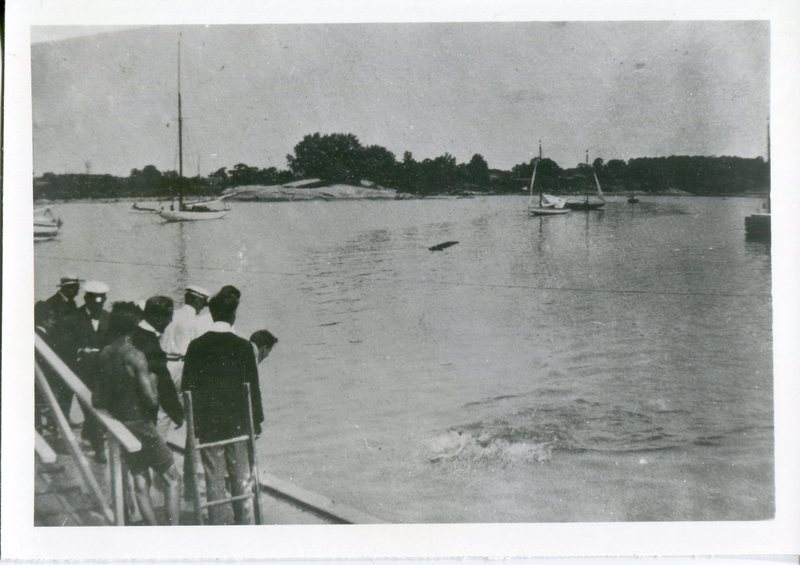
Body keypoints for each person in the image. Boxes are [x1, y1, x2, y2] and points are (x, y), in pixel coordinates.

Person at [93, 302, 181, 525]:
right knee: (172, 477)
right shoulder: (134, 355)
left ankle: (153, 532)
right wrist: (154, 380)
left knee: (140, 480)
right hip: (141, 423)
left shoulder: (105, 354)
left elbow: (98, 398)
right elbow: (151, 400)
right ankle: (174, 531)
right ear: (133, 328)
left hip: (120, 425)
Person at [182, 290, 264, 525]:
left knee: (214, 479)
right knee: (241, 478)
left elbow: (188, 388)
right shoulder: (243, 347)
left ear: (212, 313)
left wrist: (195, 424)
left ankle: (218, 527)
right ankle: (244, 524)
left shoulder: (196, 346)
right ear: (233, 315)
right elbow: (253, 389)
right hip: (237, 424)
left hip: (209, 425)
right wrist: (256, 422)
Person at [52, 280, 111, 462]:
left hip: (102, 371)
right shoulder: (72, 318)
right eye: (94, 302)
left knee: (101, 407)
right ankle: (99, 448)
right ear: (87, 299)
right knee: (90, 407)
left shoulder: (108, 318)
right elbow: (61, 345)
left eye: (101, 302)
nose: (97, 307)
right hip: (80, 371)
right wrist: (79, 351)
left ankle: (91, 435)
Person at [157, 285, 212, 437]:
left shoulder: (170, 314)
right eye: (202, 303)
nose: (202, 308)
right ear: (197, 301)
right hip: (182, 365)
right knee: (190, 407)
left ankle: (158, 443)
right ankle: (189, 449)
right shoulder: (196, 321)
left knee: (163, 408)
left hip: (163, 363)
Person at [130, 297, 185, 436]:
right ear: (157, 317)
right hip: (143, 411)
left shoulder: (132, 333)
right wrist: (177, 414)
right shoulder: (151, 344)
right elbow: (164, 383)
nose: (170, 321)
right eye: (169, 317)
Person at [34, 275, 83, 422]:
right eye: (74, 287)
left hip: (70, 354)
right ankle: (57, 421)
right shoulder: (52, 304)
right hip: (58, 353)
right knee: (56, 388)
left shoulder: (72, 303)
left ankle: (64, 418)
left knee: (67, 389)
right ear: (67, 288)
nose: (77, 290)